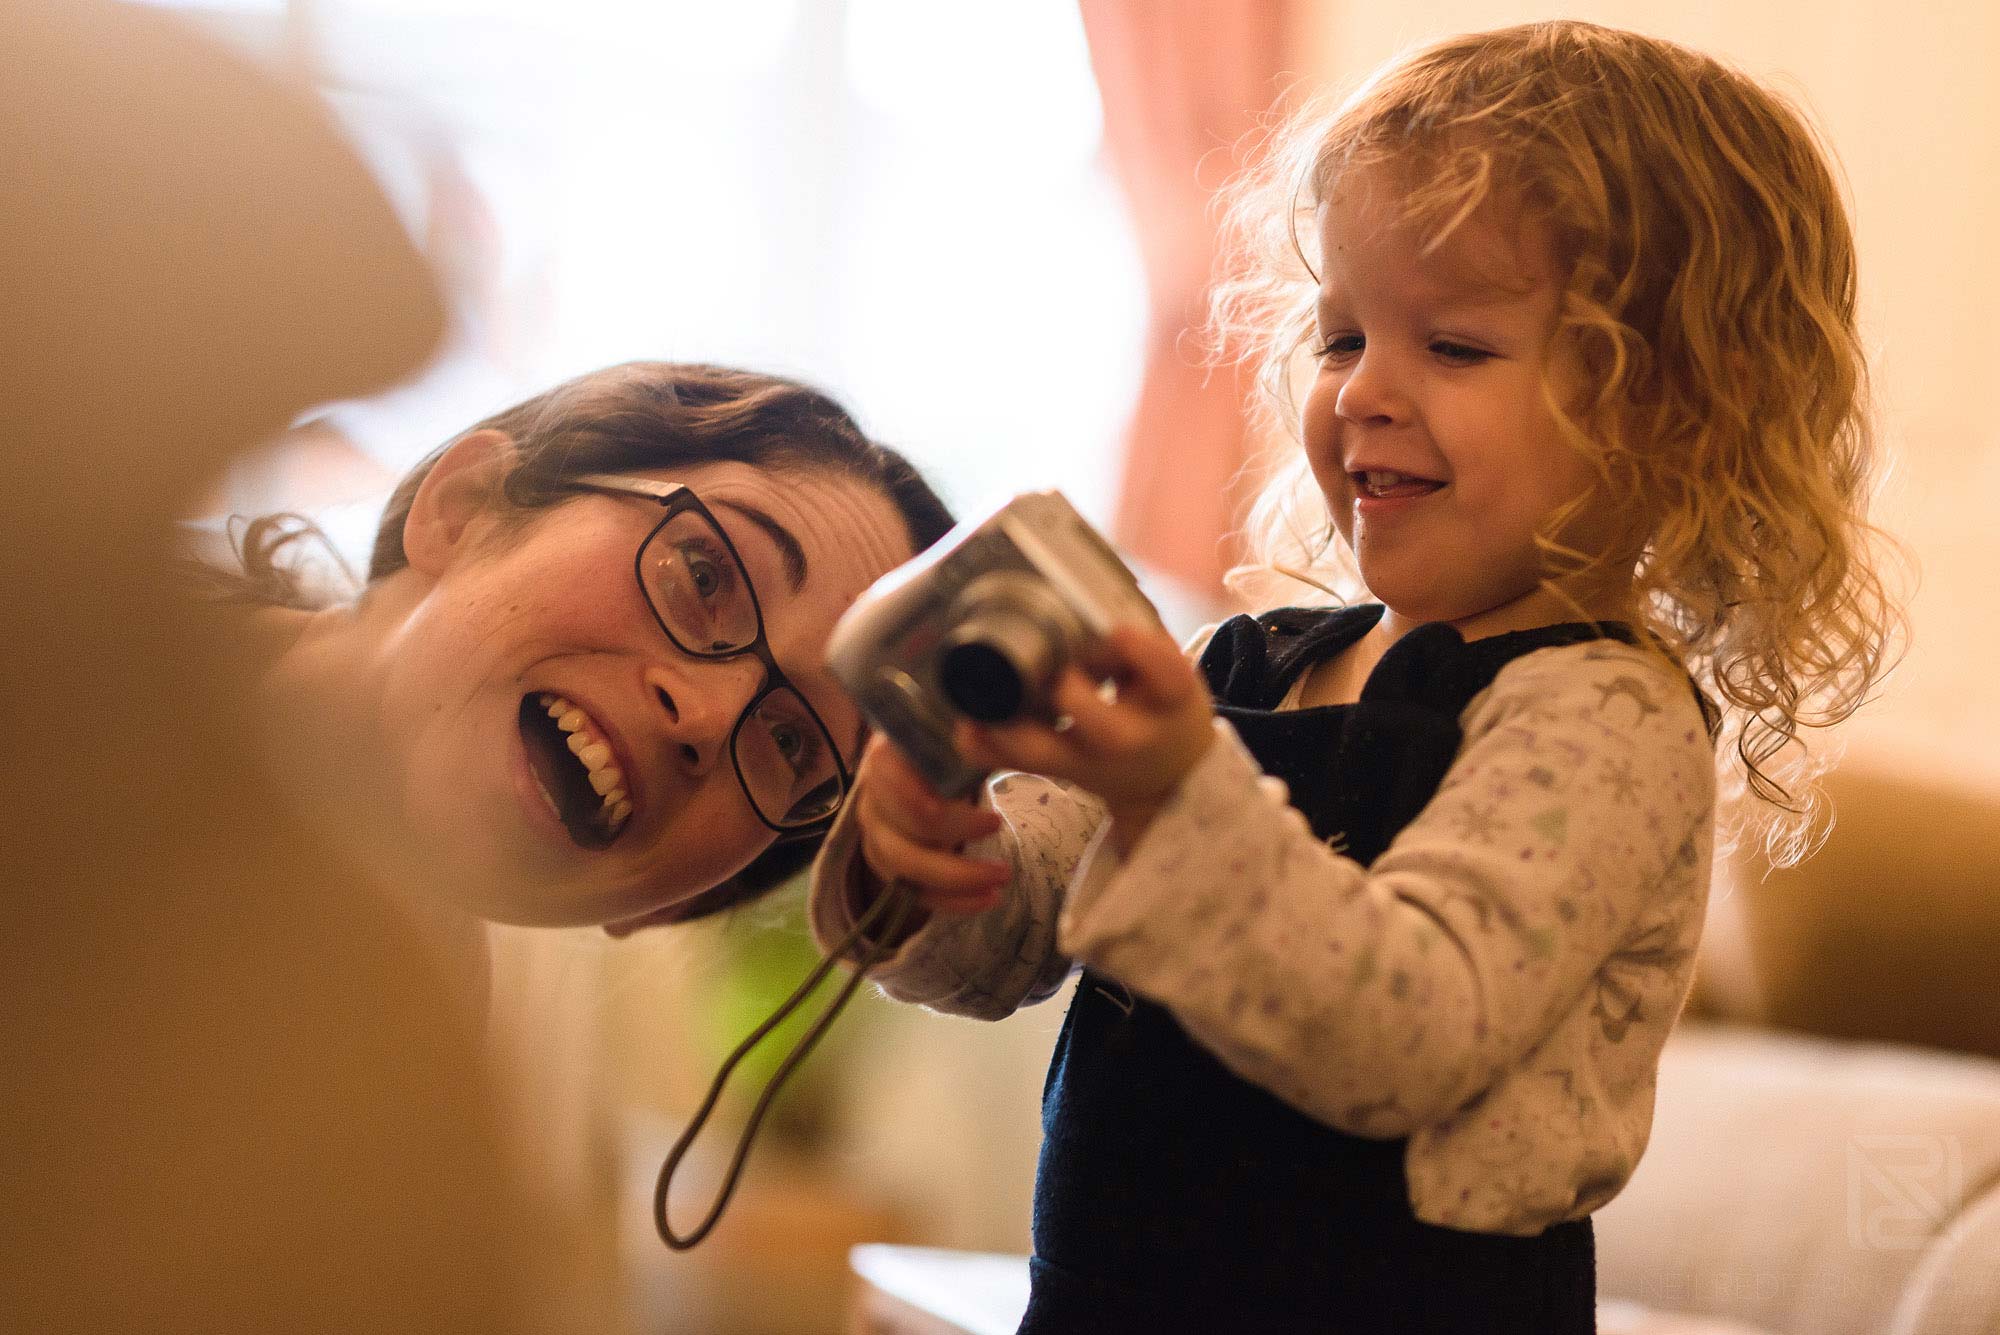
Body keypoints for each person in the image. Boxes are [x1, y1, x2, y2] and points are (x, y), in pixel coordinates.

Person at [808, 20, 1901, 1333]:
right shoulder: (1248, 661)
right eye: (1339, 337)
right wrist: (937, 854)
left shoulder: (1607, 717)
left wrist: (1178, 794)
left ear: (1666, 406)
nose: (1362, 392)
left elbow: (1407, 1031)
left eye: (1453, 346)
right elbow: (1015, 937)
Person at [218, 361, 953, 942]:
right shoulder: (107, 624)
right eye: (703, 575)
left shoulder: (414, 1107)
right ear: (463, 506)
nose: (713, 715)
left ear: (681, 902)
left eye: (792, 743)